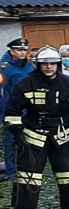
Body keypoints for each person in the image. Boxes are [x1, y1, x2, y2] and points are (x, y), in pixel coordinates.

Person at [5, 46, 69, 209]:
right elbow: (11, 112)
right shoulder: (25, 84)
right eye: (44, 63)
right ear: (38, 65)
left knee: (67, 173)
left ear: (58, 64)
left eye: (52, 63)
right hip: (32, 134)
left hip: (63, 135)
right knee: (27, 174)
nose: (49, 67)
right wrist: (17, 132)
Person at [0, 39, 35, 182]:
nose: (22, 53)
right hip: (11, 110)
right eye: (19, 50)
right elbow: (1, 92)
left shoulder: (30, 68)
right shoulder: (5, 68)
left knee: (29, 139)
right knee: (11, 141)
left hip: (29, 110)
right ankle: (11, 171)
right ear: (12, 51)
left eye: (24, 50)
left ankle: (26, 167)